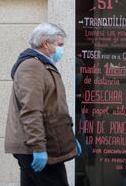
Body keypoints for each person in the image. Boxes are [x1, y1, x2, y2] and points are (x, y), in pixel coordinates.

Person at [5, 22, 81, 186]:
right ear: (46, 43)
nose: (62, 49)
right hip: (36, 147)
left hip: (43, 144)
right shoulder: (32, 66)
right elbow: (31, 111)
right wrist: (39, 148)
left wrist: (70, 137)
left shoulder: (41, 65)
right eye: (60, 45)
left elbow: (53, 108)